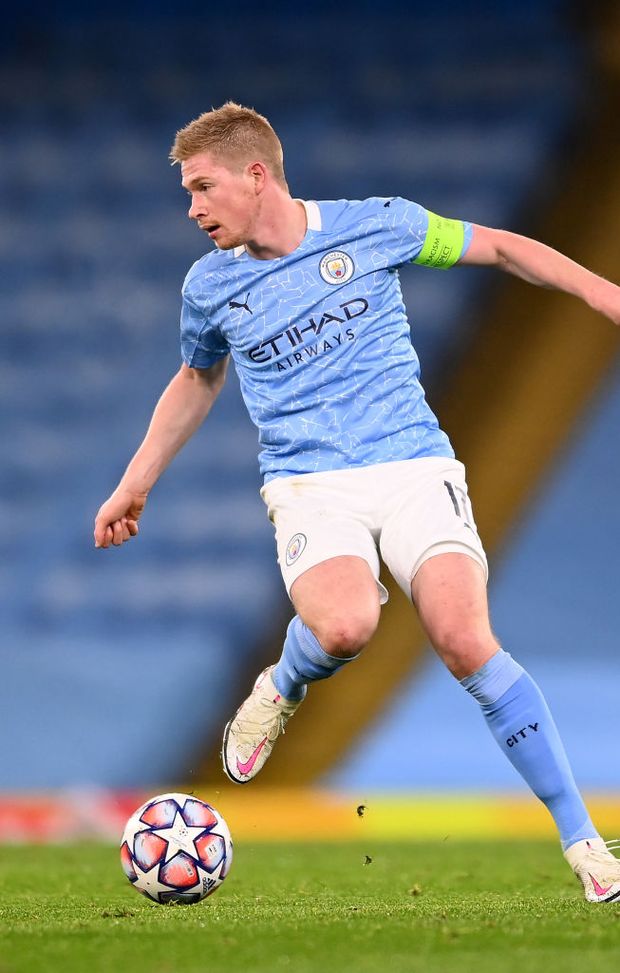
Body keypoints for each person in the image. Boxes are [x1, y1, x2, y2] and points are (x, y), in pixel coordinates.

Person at [94, 102, 620, 903]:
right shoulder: (209, 286)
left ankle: (584, 843)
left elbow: (503, 247)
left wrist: (597, 290)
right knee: (346, 624)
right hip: (310, 484)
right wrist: (135, 483)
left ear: (255, 175)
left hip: (412, 463)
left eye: (202, 187)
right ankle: (283, 684)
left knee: (465, 638)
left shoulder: (377, 226)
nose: (193, 209)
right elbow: (198, 377)